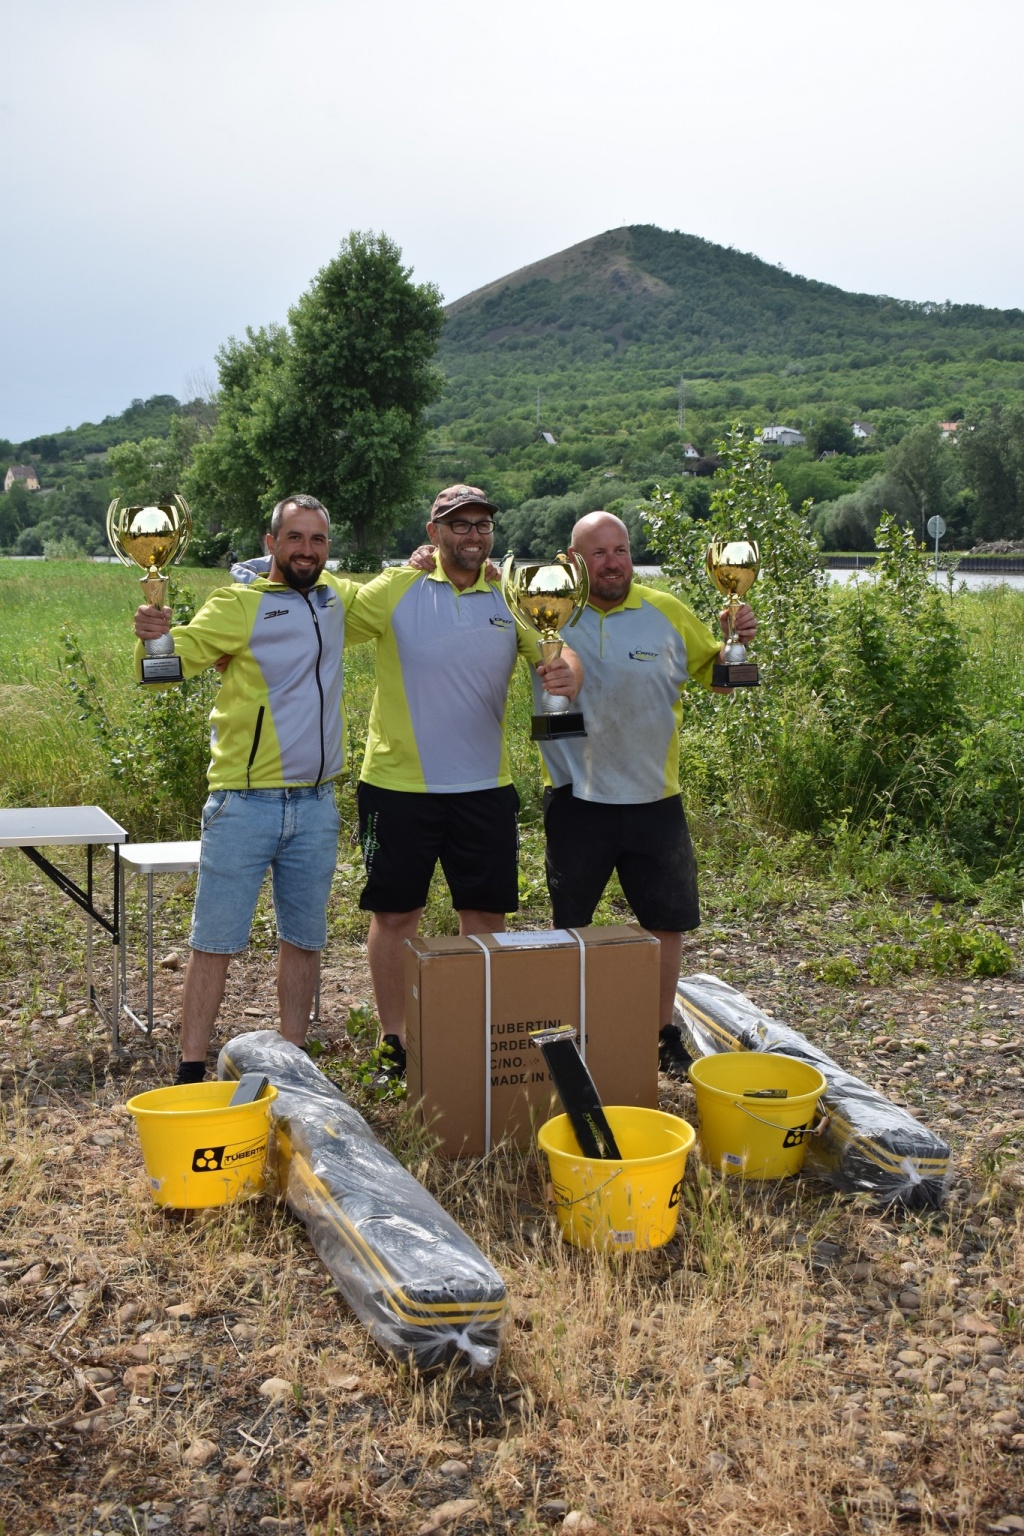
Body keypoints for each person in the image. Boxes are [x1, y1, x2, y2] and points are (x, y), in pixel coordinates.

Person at [133, 494, 373, 1084]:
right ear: (271, 543)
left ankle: (294, 1068)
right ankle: (191, 1071)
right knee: (214, 943)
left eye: (318, 539)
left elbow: (392, 593)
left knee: (305, 940)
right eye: (295, 537)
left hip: (316, 805)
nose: (307, 550)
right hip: (244, 804)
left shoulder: (334, 598)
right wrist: (153, 637)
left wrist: (426, 560)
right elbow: (162, 672)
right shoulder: (238, 605)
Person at [354, 484, 581, 1084]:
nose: (473, 535)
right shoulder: (397, 587)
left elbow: (556, 652)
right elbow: (324, 623)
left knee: (484, 917)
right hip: (397, 787)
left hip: (483, 788)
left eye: (482, 524)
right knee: (395, 916)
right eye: (459, 525)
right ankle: (394, 1040)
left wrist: (567, 674)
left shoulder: (510, 597)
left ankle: (470, 1037)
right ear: (433, 533)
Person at [529, 511, 756, 1076]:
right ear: (572, 561)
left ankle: (660, 1033)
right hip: (576, 798)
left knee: (664, 924)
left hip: (655, 798)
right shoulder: (546, 611)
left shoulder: (667, 611)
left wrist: (738, 644)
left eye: (621, 550)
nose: (613, 563)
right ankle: (569, 1035)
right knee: (570, 925)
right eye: (598, 553)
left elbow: (723, 682)